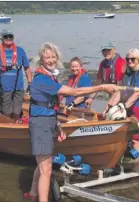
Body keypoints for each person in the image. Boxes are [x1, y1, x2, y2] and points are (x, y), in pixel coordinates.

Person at [24, 42, 118, 202]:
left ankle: (33, 193)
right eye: (47, 57)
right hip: (40, 125)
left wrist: (58, 125)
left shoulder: (50, 75)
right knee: (46, 169)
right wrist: (101, 87)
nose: (51, 60)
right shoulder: (41, 79)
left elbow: (49, 106)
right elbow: (74, 92)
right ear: (41, 59)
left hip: (47, 122)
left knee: (43, 163)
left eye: (53, 56)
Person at [106, 48, 139, 151]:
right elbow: (119, 92)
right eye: (127, 59)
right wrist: (108, 108)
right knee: (124, 137)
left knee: (135, 139)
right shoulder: (127, 74)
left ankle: (138, 163)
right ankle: (125, 160)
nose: (130, 61)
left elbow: (138, 93)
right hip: (127, 107)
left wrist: (123, 106)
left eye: (133, 59)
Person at [0, 29, 32, 122]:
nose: (8, 38)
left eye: (10, 36)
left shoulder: (20, 51)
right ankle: (7, 126)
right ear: (1, 38)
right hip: (4, 88)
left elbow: (27, 68)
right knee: (7, 112)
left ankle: (15, 127)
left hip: (18, 87)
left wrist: (30, 84)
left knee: (17, 112)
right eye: (6, 36)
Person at [85, 41, 126, 109]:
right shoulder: (103, 64)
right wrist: (91, 98)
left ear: (114, 50)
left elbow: (119, 87)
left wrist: (110, 105)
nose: (106, 52)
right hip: (112, 93)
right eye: (104, 50)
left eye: (108, 50)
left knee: (111, 111)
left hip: (123, 94)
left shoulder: (120, 62)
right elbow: (98, 83)